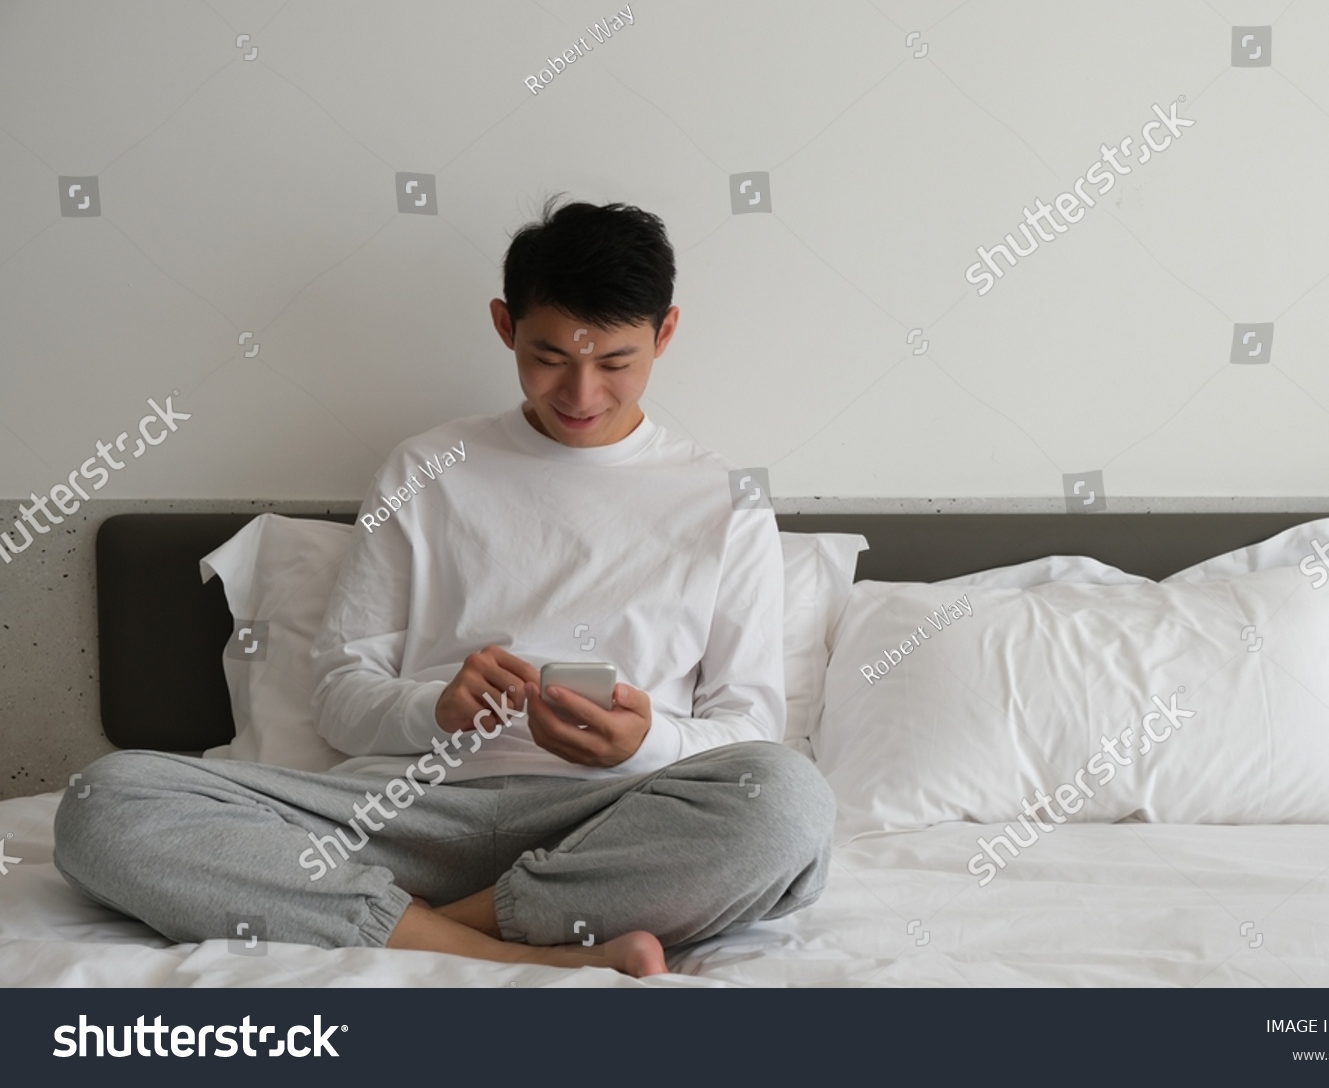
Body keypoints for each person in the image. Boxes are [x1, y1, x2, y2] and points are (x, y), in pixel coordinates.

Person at [53, 195, 836, 978]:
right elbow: (338, 696)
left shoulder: (726, 500)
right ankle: (515, 945)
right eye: (549, 356)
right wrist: (435, 708)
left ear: (664, 335)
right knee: (105, 800)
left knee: (788, 801)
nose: (581, 394)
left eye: (615, 362)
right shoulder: (425, 468)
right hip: (401, 813)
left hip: (609, 823)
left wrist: (648, 743)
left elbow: (750, 725)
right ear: (504, 325)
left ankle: (423, 927)